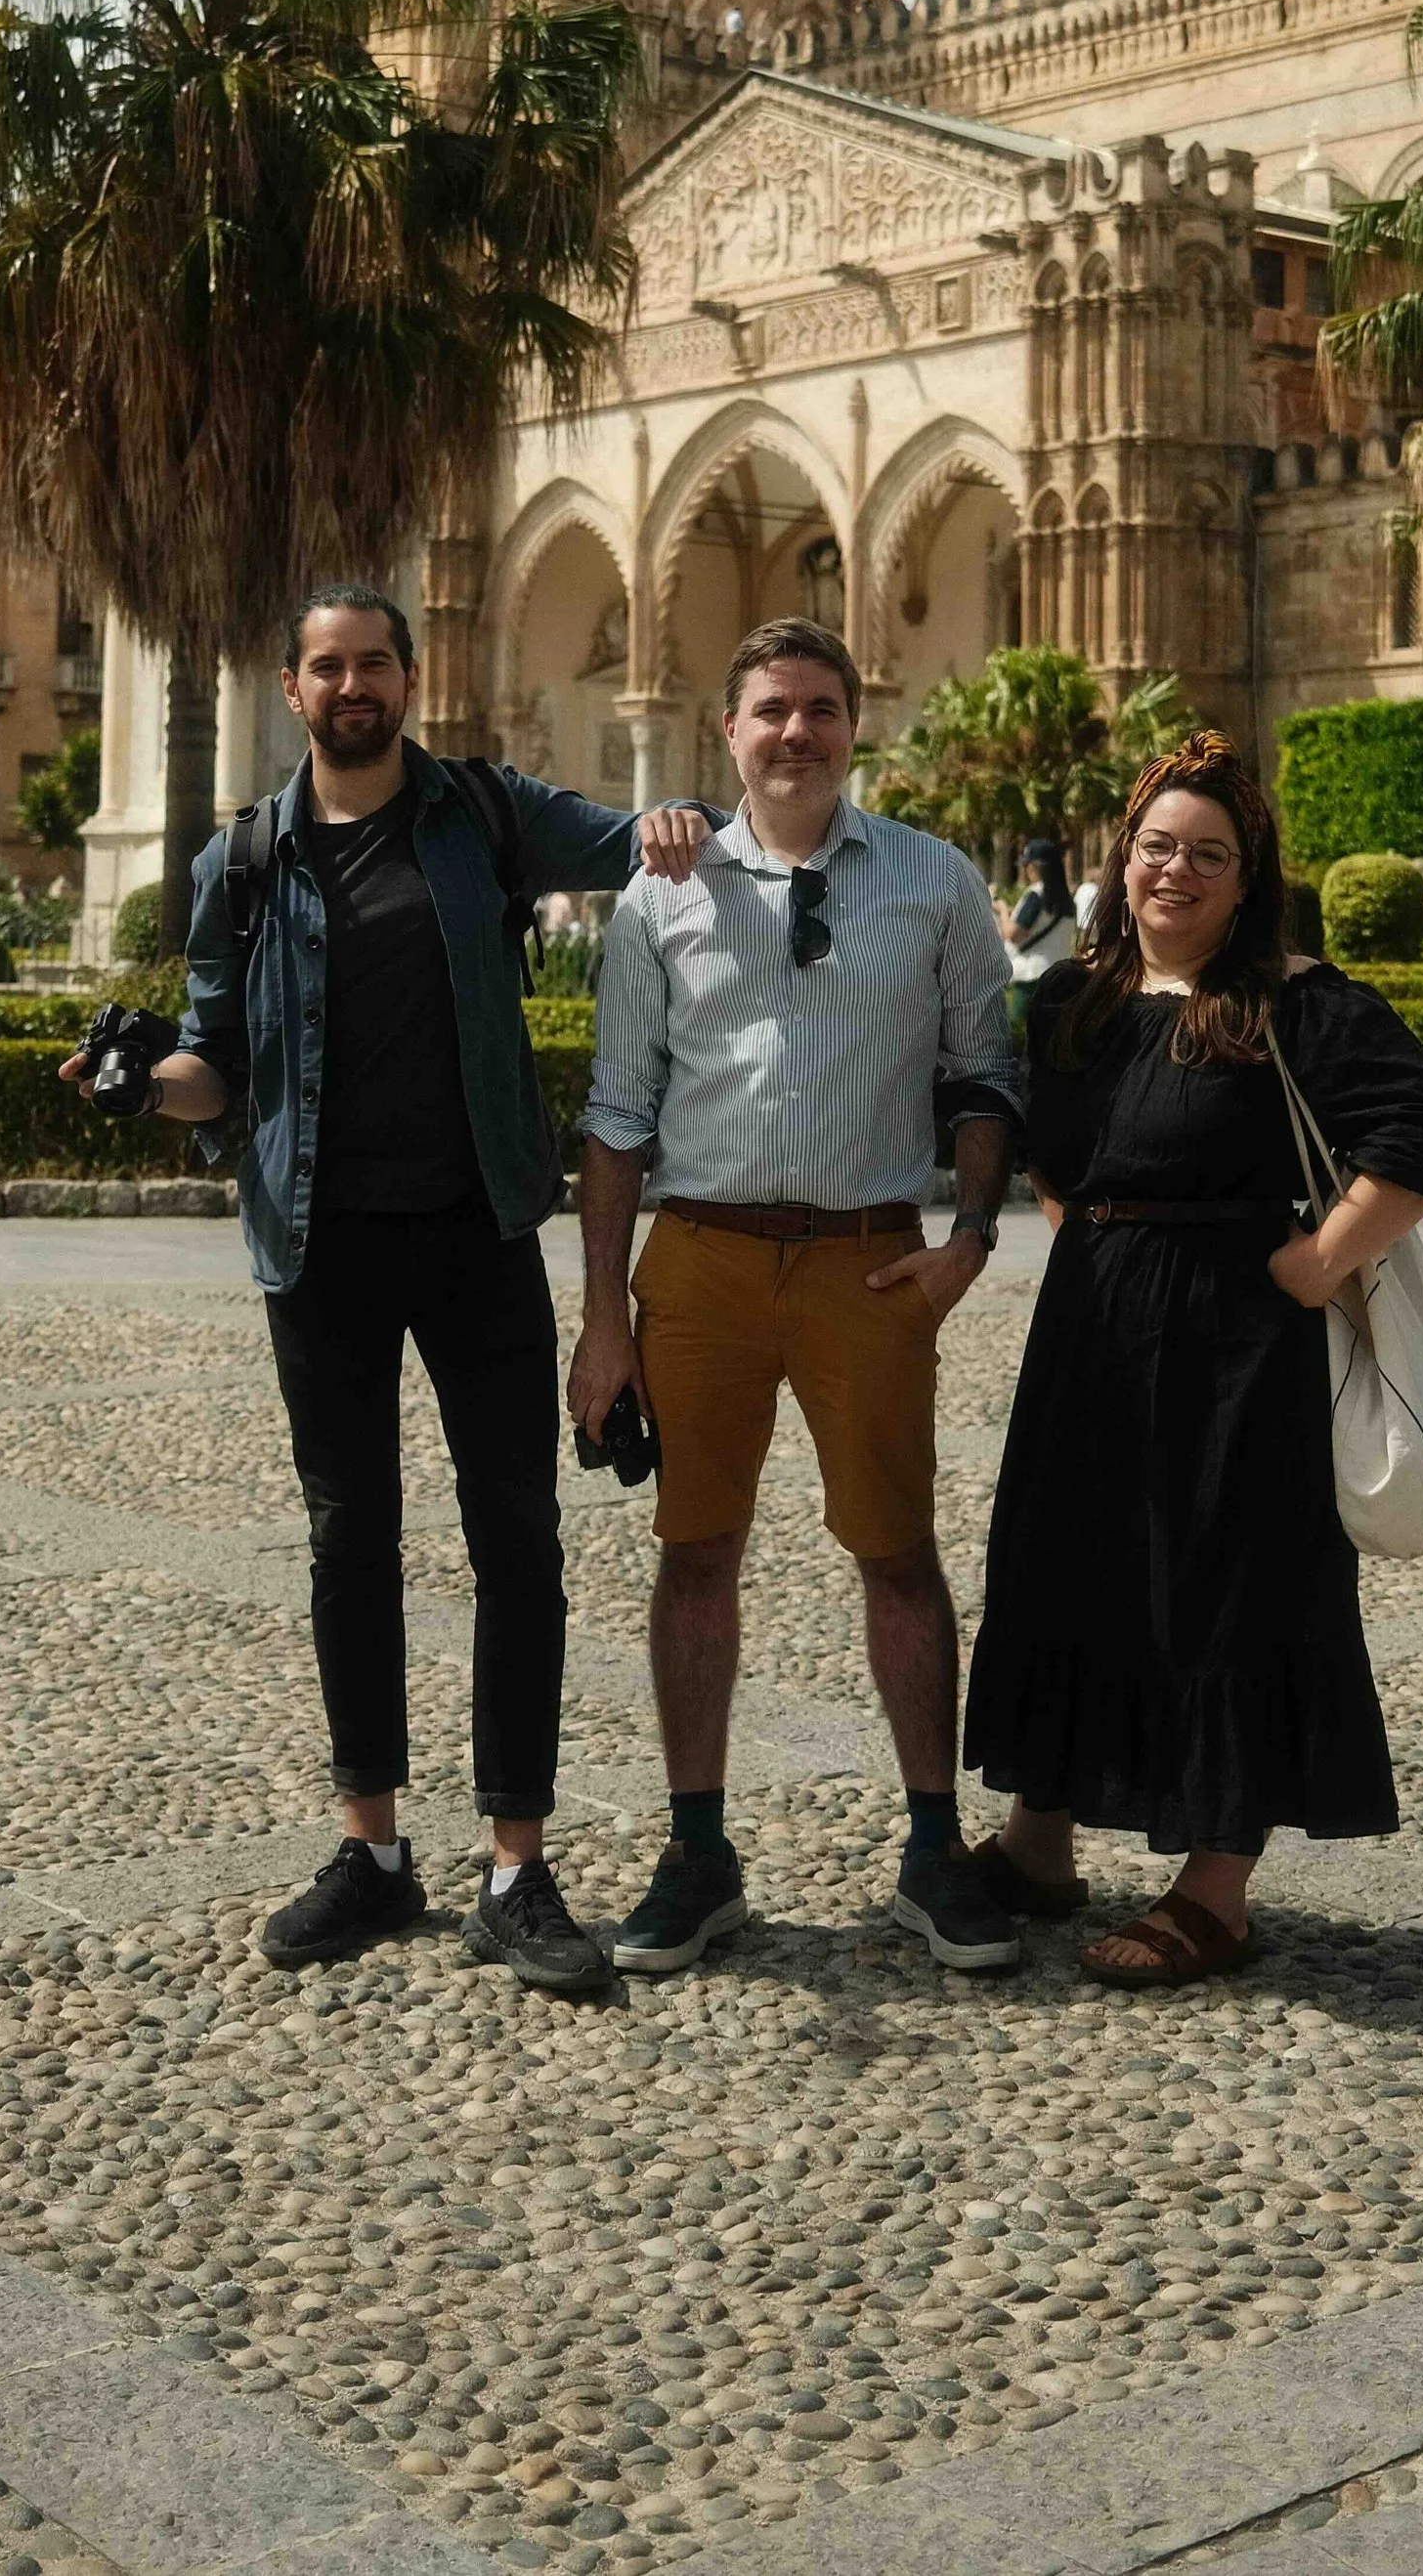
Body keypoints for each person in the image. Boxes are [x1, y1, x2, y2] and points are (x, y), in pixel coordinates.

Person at [63, 588, 712, 1997]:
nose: (352, 684)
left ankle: (514, 1867)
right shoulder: (242, 858)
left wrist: (676, 820)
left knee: (516, 1544)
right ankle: (372, 1850)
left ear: (408, 678)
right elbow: (211, 1062)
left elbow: (653, 839)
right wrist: (135, 1083)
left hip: (478, 1231)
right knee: (348, 1541)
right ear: (292, 688)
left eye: (373, 662)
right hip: (322, 1247)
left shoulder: (483, 809)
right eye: (326, 666)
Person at [964, 731, 1423, 1988]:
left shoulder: (1297, 1004)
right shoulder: (1070, 1001)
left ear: (1247, 880)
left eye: (1207, 855)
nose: (1174, 874)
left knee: (1225, 1595)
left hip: (1236, 1361)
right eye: (1155, 848)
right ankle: (1039, 1842)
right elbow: (1037, 1136)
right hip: (1092, 1341)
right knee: (1070, 1572)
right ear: (1119, 859)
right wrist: (1092, 1232)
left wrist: (1319, 1262)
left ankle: (1216, 1887)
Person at [569, 615, 1025, 1978]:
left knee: (898, 1552)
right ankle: (697, 1849)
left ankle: (934, 1845)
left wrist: (971, 1241)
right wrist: (602, 1316)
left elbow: (985, 1075)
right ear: (730, 731)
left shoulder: (933, 883)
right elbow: (614, 1114)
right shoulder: (664, 890)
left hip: (869, 1258)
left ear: (853, 723)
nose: (797, 733)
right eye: (771, 710)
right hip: (699, 1257)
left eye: (821, 709)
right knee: (693, 1548)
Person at [1003, 837, 1079, 1020]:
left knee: (1023, 1036)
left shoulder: (1035, 895)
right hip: (1060, 977)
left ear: (1035, 867)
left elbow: (1012, 934)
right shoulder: (1067, 899)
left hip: (1031, 979)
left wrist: (1003, 911)